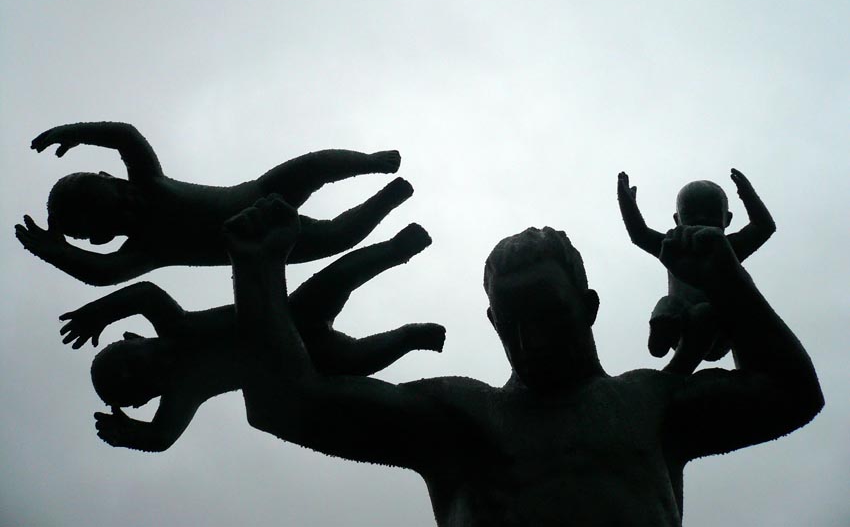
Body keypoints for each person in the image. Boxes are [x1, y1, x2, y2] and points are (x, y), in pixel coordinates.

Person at [222, 195, 822, 526]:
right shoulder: (459, 418)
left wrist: (726, 279)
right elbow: (286, 404)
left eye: (547, 316)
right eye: (511, 324)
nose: (530, 339)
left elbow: (792, 394)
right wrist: (254, 269)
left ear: (587, 307)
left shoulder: (650, 404)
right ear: (492, 325)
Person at [59, 224, 444, 452]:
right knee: (357, 359)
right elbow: (161, 437)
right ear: (149, 396)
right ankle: (411, 336)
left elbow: (145, 294)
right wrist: (130, 436)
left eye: (128, 358)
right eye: (136, 380)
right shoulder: (185, 389)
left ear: (135, 338)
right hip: (295, 357)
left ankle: (397, 249)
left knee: (337, 279)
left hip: (287, 312)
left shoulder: (177, 328)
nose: (140, 367)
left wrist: (99, 311)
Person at [16, 121, 411, 285]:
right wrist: (55, 252)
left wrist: (76, 133)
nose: (128, 201)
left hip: (258, 193)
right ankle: (388, 199)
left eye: (119, 192)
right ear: (103, 237)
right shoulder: (145, 249)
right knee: (335, 237)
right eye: (118, 212)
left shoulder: (149, 183)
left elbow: (125, 135)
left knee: (314, 166)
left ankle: (372, 162)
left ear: (110, 177)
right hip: (258, 244)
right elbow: (101, 274)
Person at [618, 168, 776, 374]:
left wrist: (747, 194)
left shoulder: (727, 248)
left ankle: (675, 368)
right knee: (668, 304)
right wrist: (628, 203)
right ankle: (662, 334)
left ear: (727, 219)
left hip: (720, 329)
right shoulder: (673, 246)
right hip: (680, 324)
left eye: (711, 214)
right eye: (691, 214)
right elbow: (640, 235)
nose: (701, 217)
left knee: (705, 312)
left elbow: (764, 227)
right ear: (677, 220)